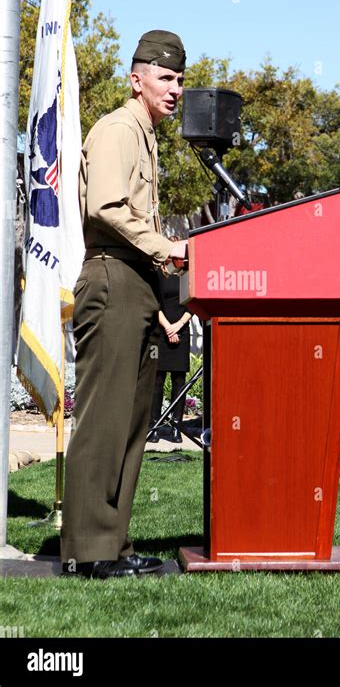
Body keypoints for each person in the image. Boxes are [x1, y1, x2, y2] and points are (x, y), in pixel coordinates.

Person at [61, 30, 187, 578]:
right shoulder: (117, 129)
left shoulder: (146, 135)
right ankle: (87, 551)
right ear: (136, 80)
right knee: (105, 420)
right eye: (165, 77)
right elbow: (108, 208)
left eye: (180, 79)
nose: (176, 88)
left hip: (133, 282)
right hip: (112, 277)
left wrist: (156, 298)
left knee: (134, 423)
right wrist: (170, 247)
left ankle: (112, 544)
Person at [149, 237, 193, 444]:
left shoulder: (188, 275)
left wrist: (178, 326)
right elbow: (154, 305)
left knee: (179, 381)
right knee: (157, 380)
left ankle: (176, 427)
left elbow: (192, 305)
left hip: (182, 331)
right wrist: (168, 327)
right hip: (162, 332)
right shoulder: (158, 275)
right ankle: (154, 427)